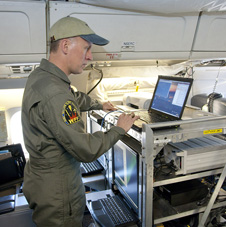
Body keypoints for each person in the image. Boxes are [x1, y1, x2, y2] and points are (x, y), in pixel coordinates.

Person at [21, 16, 139, 227]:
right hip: (58, 190)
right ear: (65, 45)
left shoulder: (42, 76)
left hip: (41, 179)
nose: (90, 56)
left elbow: (71, 97)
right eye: (86, 48)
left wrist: (98, 104)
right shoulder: (55, 93)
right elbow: (86, 149)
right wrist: (119, 129)